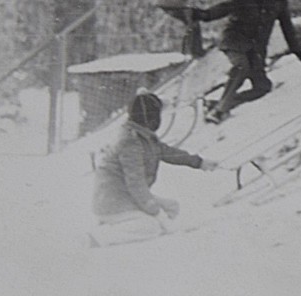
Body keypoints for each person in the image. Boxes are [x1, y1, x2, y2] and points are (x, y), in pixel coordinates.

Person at [190, 0, 301, 124]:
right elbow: (225, 7)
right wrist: (203, 15)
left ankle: (219, 103)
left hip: (256, 49)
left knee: (262, 87)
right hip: (234, 41)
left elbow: (287, 27)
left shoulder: (278, 3)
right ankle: (219, 111)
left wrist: (297, 51)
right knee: (241, 67)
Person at [89, 89, 218, 247]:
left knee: (172, 208)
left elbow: (167, 152)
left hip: (125, 196)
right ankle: (100, 237)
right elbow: (135, 183)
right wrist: (156, 212)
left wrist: (199, 162)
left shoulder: (143, 135)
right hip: (113, 201)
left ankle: (119, 224)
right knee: (151, 227)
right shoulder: (130, 142)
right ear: (151, 117)